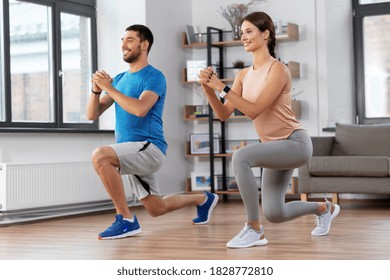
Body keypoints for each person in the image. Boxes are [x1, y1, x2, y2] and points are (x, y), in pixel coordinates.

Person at [198, 12, 340, 248]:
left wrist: (220, 86)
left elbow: (254, 110)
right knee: (275, 212)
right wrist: (208, 90)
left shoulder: (278, 70)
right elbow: (224, 114)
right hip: (273, 147)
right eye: (241, 32)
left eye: (249, 31)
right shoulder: (243, 75)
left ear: (266, 34)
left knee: (241, 156)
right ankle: (324, 208)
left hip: (295, 143)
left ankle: (253, 228)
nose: (243, 36)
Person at [87, 24, 218, 240]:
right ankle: (203, 199)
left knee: (100, 156)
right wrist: (96, 89)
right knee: (156, 208)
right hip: (130, 152)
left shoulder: (154, 77)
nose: (123, 45)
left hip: (149, 149)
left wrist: (109, 88)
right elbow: (92, 114)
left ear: (144, 44)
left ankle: (126, 220)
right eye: (122, 40)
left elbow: (140, 109)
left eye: (129, 40)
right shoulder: (119, 79)